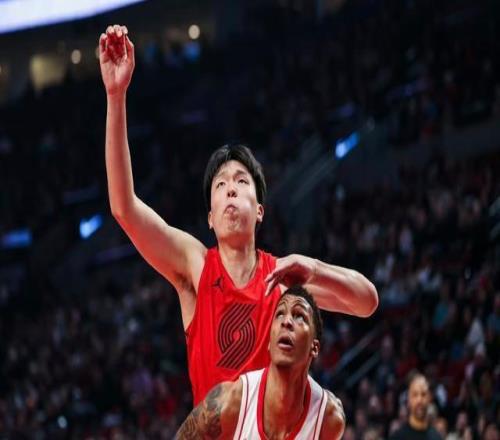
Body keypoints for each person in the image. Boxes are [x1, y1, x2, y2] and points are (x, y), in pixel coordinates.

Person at [99, 24, 378, 405]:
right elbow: (123, 207)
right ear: (210, 217)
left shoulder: (283, 279)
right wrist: (116, 96)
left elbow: (366, 301)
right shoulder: (195, 266)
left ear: (259, 210)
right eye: (220, 185)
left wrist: (315, 268)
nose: (230, 188)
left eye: (241, 181)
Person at [176, 285, 345, 439]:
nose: (286, 322)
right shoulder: (230, 403)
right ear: (269, 343)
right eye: (279, 314)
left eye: (299, 316)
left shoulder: (328, 419)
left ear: (314, 348)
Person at [389, 373, 442, 440]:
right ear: (408, 400)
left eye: (423, 394)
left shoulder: (437, 437)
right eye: (415, 395)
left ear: (429, 399)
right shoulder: (397, 437)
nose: (419, 400)